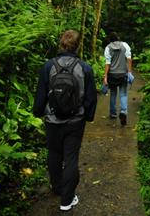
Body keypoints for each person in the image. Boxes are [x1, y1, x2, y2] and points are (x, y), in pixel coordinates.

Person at [33, 29, 97, 211]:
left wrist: (38, 112)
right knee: (70, 158)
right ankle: (66, 201)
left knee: (54, 154)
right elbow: (91, 98)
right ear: (78, 45)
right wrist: (89, 116)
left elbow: (41, 95)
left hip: (52, 121)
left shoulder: (48, 66)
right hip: (75, 122)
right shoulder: (85, 68)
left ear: (60, 43)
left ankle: (57, 187)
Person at [103, 32, 134, 126]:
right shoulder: (125, 45)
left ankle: (113, 113)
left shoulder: (108, 47)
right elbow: (129, 59)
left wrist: (105, 76)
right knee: (123, 94)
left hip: (112, 74)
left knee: (113, 93)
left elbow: (107, 63)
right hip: (123, 74)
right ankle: (123, 112)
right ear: (118, 38)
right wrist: (129, 72)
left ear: (111, 39)